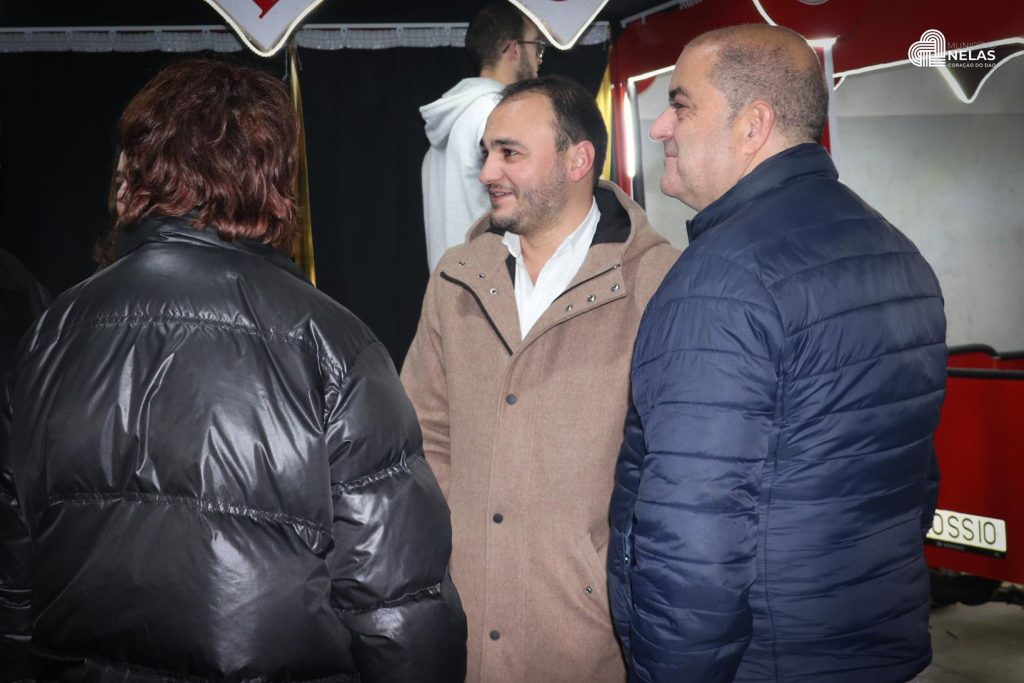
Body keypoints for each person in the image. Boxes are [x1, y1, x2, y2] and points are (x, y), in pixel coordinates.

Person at [0, 58, 466, 682]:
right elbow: (398, 606)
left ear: (138, 168)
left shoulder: (51, 333)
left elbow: (14, 573)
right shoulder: (334, 345)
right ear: (271, 176)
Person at [608, 24, 946, 683]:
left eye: (680, 105)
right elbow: (911, 483)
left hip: (765, 660)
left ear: (753, 125)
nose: (660, 128)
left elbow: (695, 540)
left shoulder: (721, 281)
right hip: (873, 640)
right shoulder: (897, 254)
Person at [402, 75, 679, 683]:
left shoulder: (658, 284)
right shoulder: (457, 276)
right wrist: (457, 550)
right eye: (487, 153)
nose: (487, 173)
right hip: (462, 629)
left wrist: (598, 575)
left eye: (510, 153)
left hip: (588, 637)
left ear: (577, 160)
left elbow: (677, 468)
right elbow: (421, 435)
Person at [420, 2, 546, 271]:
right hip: (490, 284)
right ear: (514, 49)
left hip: (450, 286)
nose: (539, 59)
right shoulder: (496, 113)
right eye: (536, 45)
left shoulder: (452, 120)